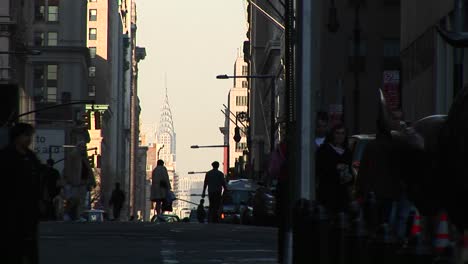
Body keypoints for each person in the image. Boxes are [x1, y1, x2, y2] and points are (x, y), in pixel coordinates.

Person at [0, 123, 42, 264]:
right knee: (12, 243)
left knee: (29, 242)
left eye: (30, 136)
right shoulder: (6, 156)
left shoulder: (31, 157)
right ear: (16, 137)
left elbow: (39, 178)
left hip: (29, 208)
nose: (29, 139)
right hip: (11, 208)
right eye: (26, 135)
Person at [316, 124, 353, 217]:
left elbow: (350, 171)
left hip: (342, 195)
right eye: (337, 133)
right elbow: (319, 169)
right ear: (332, 134)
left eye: (342, 133)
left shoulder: (347, 152)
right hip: (328, 194)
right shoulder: (324, 150)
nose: (340, 136)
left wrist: (350, 177)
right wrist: (335, 168)